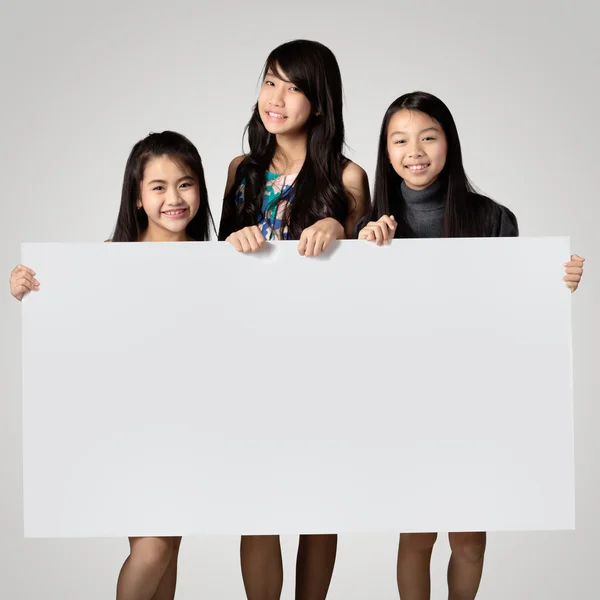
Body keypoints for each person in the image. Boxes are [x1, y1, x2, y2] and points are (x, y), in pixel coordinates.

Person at [358, 90, 584, 600]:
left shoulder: (492, 218)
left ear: (448, 143)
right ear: (387, 152)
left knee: (469, 540)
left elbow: (514, 314)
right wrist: (365, 248)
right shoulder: (372, 229)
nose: (414, 151)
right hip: (405, 402)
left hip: (476, 401)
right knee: (415, 535)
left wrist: (554, 287)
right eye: (399, 140)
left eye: (427, 137)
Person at [9, 130, 215, 600]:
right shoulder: (110, 259)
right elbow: (75, 326)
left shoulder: (214, 262)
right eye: (158, 187)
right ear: (138, 198)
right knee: (155, 548)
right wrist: (28, 288)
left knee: (169, 551)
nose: (174, 198)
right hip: (131, 428)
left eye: (185, 184)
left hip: (188, 427)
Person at [218, 39, 370, 600]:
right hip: (248, 356)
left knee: (317, 498)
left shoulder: (348, 177)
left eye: (293, 87)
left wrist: (339, 229)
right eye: (269, 81)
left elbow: (360, 280)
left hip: (322, 359)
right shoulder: (241, 170)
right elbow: (217, 270)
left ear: (321, 103)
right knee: (256, 501)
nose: (275, 98)